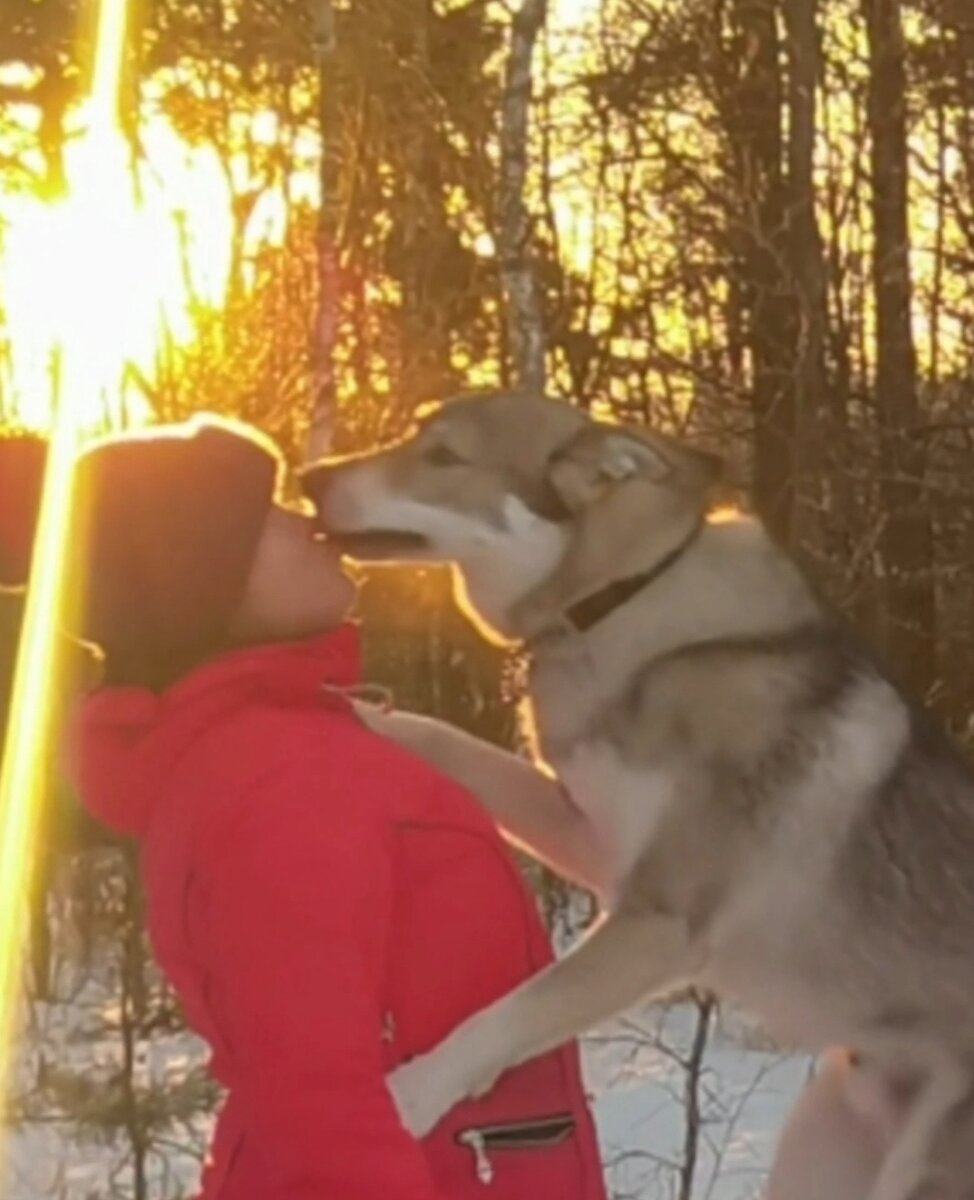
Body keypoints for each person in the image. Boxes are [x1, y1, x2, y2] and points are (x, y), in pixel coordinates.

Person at [0, 418, 608, 1200]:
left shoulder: (299, 748)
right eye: (273, 511)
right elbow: (319, 1105)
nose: (310, 519)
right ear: (204, 584)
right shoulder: (279, 780)